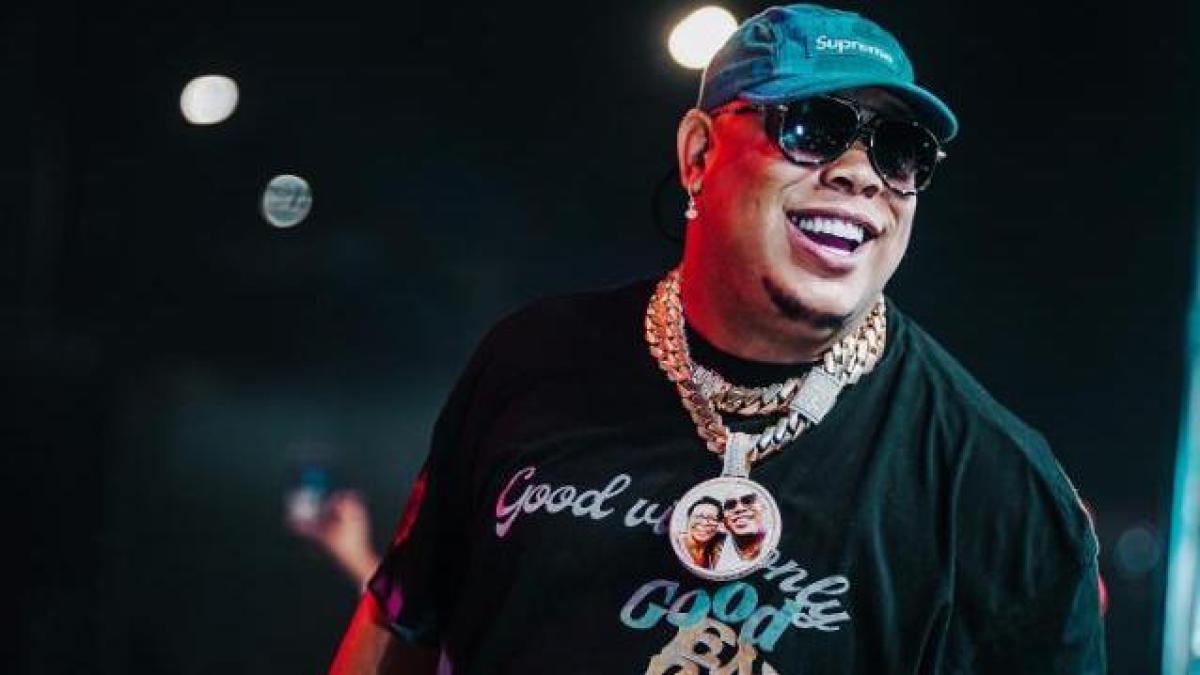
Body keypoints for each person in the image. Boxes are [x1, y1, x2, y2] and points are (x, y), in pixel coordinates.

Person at [330, 4, 1105, 673]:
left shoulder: (1002, 491)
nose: (862, 175)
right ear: (699, 154)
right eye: (814, 127)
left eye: (900, 150)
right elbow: (400, 622)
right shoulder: (530, 363)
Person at [678, 496, 725, 570]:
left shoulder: (715, 552)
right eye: (698, 516)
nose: (705, 522)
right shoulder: (676, 544)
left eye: (712, 518)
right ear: (688, 519)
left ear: (719, 523)